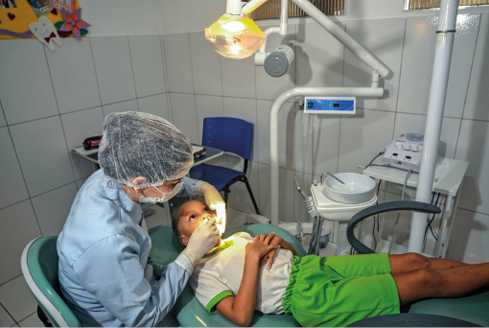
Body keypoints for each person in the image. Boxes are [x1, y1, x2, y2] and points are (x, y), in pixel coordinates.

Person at [172, 199, 489, 327]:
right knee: (422, 279)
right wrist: (253, 259)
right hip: (306, 298)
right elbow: (241, 316)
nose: (205, 216)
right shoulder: (202, 274)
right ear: (185, 239)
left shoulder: (238, 237)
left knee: (414, 260)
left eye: (206, 210)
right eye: (193, 216)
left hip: (313, 266)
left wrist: (278, 245)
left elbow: (290, 258)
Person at [57, 111, 225, 327]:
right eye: (175, 183)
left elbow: (161, 176)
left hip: (128, 284)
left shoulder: (112, 174)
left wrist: (202, 187)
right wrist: (190, 255)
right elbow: (143, 318)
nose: (180, 185)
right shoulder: (107, 242)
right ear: (139, 181)